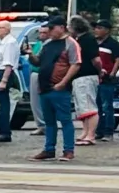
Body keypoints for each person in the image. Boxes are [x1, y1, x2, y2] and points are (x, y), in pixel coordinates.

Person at [30, 18, 78, 160]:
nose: (49, 31)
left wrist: (64, 82)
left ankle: (68, 150)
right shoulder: (48, 44)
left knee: (65, 120)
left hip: (59, 88)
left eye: (52, 28)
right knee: (49, 121)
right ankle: (49, 149)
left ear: (61, 28)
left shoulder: (70, 43)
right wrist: (30, 54)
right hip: (45, 87)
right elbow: (38, 62)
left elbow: (75, 64)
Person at [70, 13, 103, 146]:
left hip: (86, 75)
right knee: (82, 106)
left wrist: (100, 71)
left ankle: (91, 134)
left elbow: (96, 59)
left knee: (89, 105)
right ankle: (85, 131)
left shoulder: (88, 40)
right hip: (79, 77)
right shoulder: (79, 40)